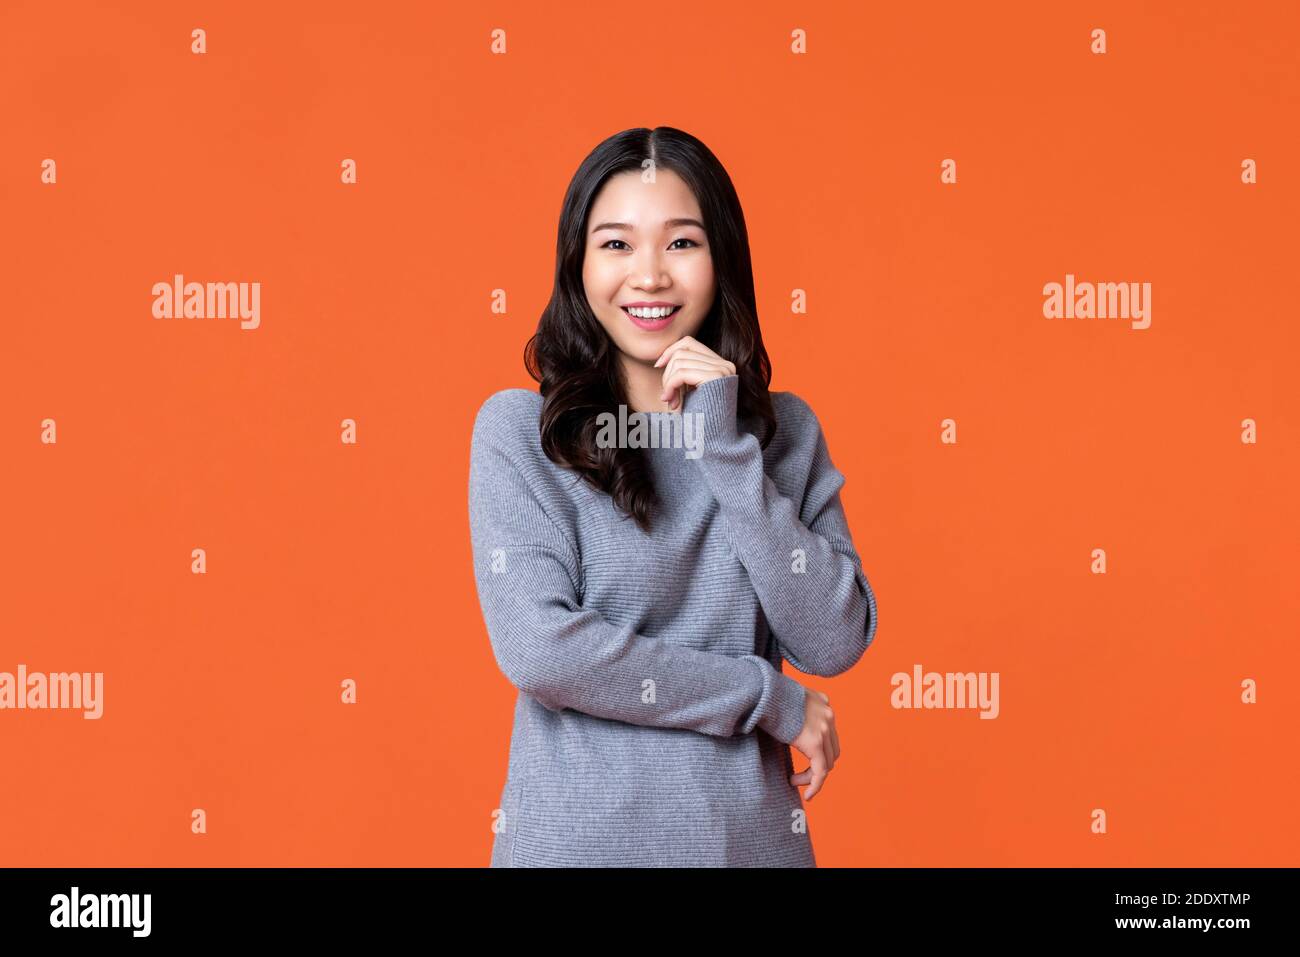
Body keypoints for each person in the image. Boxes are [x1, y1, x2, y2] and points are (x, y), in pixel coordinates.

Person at [468, 126, 879, 866]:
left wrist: (722, 447)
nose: (649, 276)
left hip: (747, 847)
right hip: (577, 847)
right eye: (617, 244)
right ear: (578, 264)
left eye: (681, 243)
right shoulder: (519, 432)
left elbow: (833, 638)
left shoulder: (782, 436)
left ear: (722, 259)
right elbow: (542, 651)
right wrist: (767, 697)